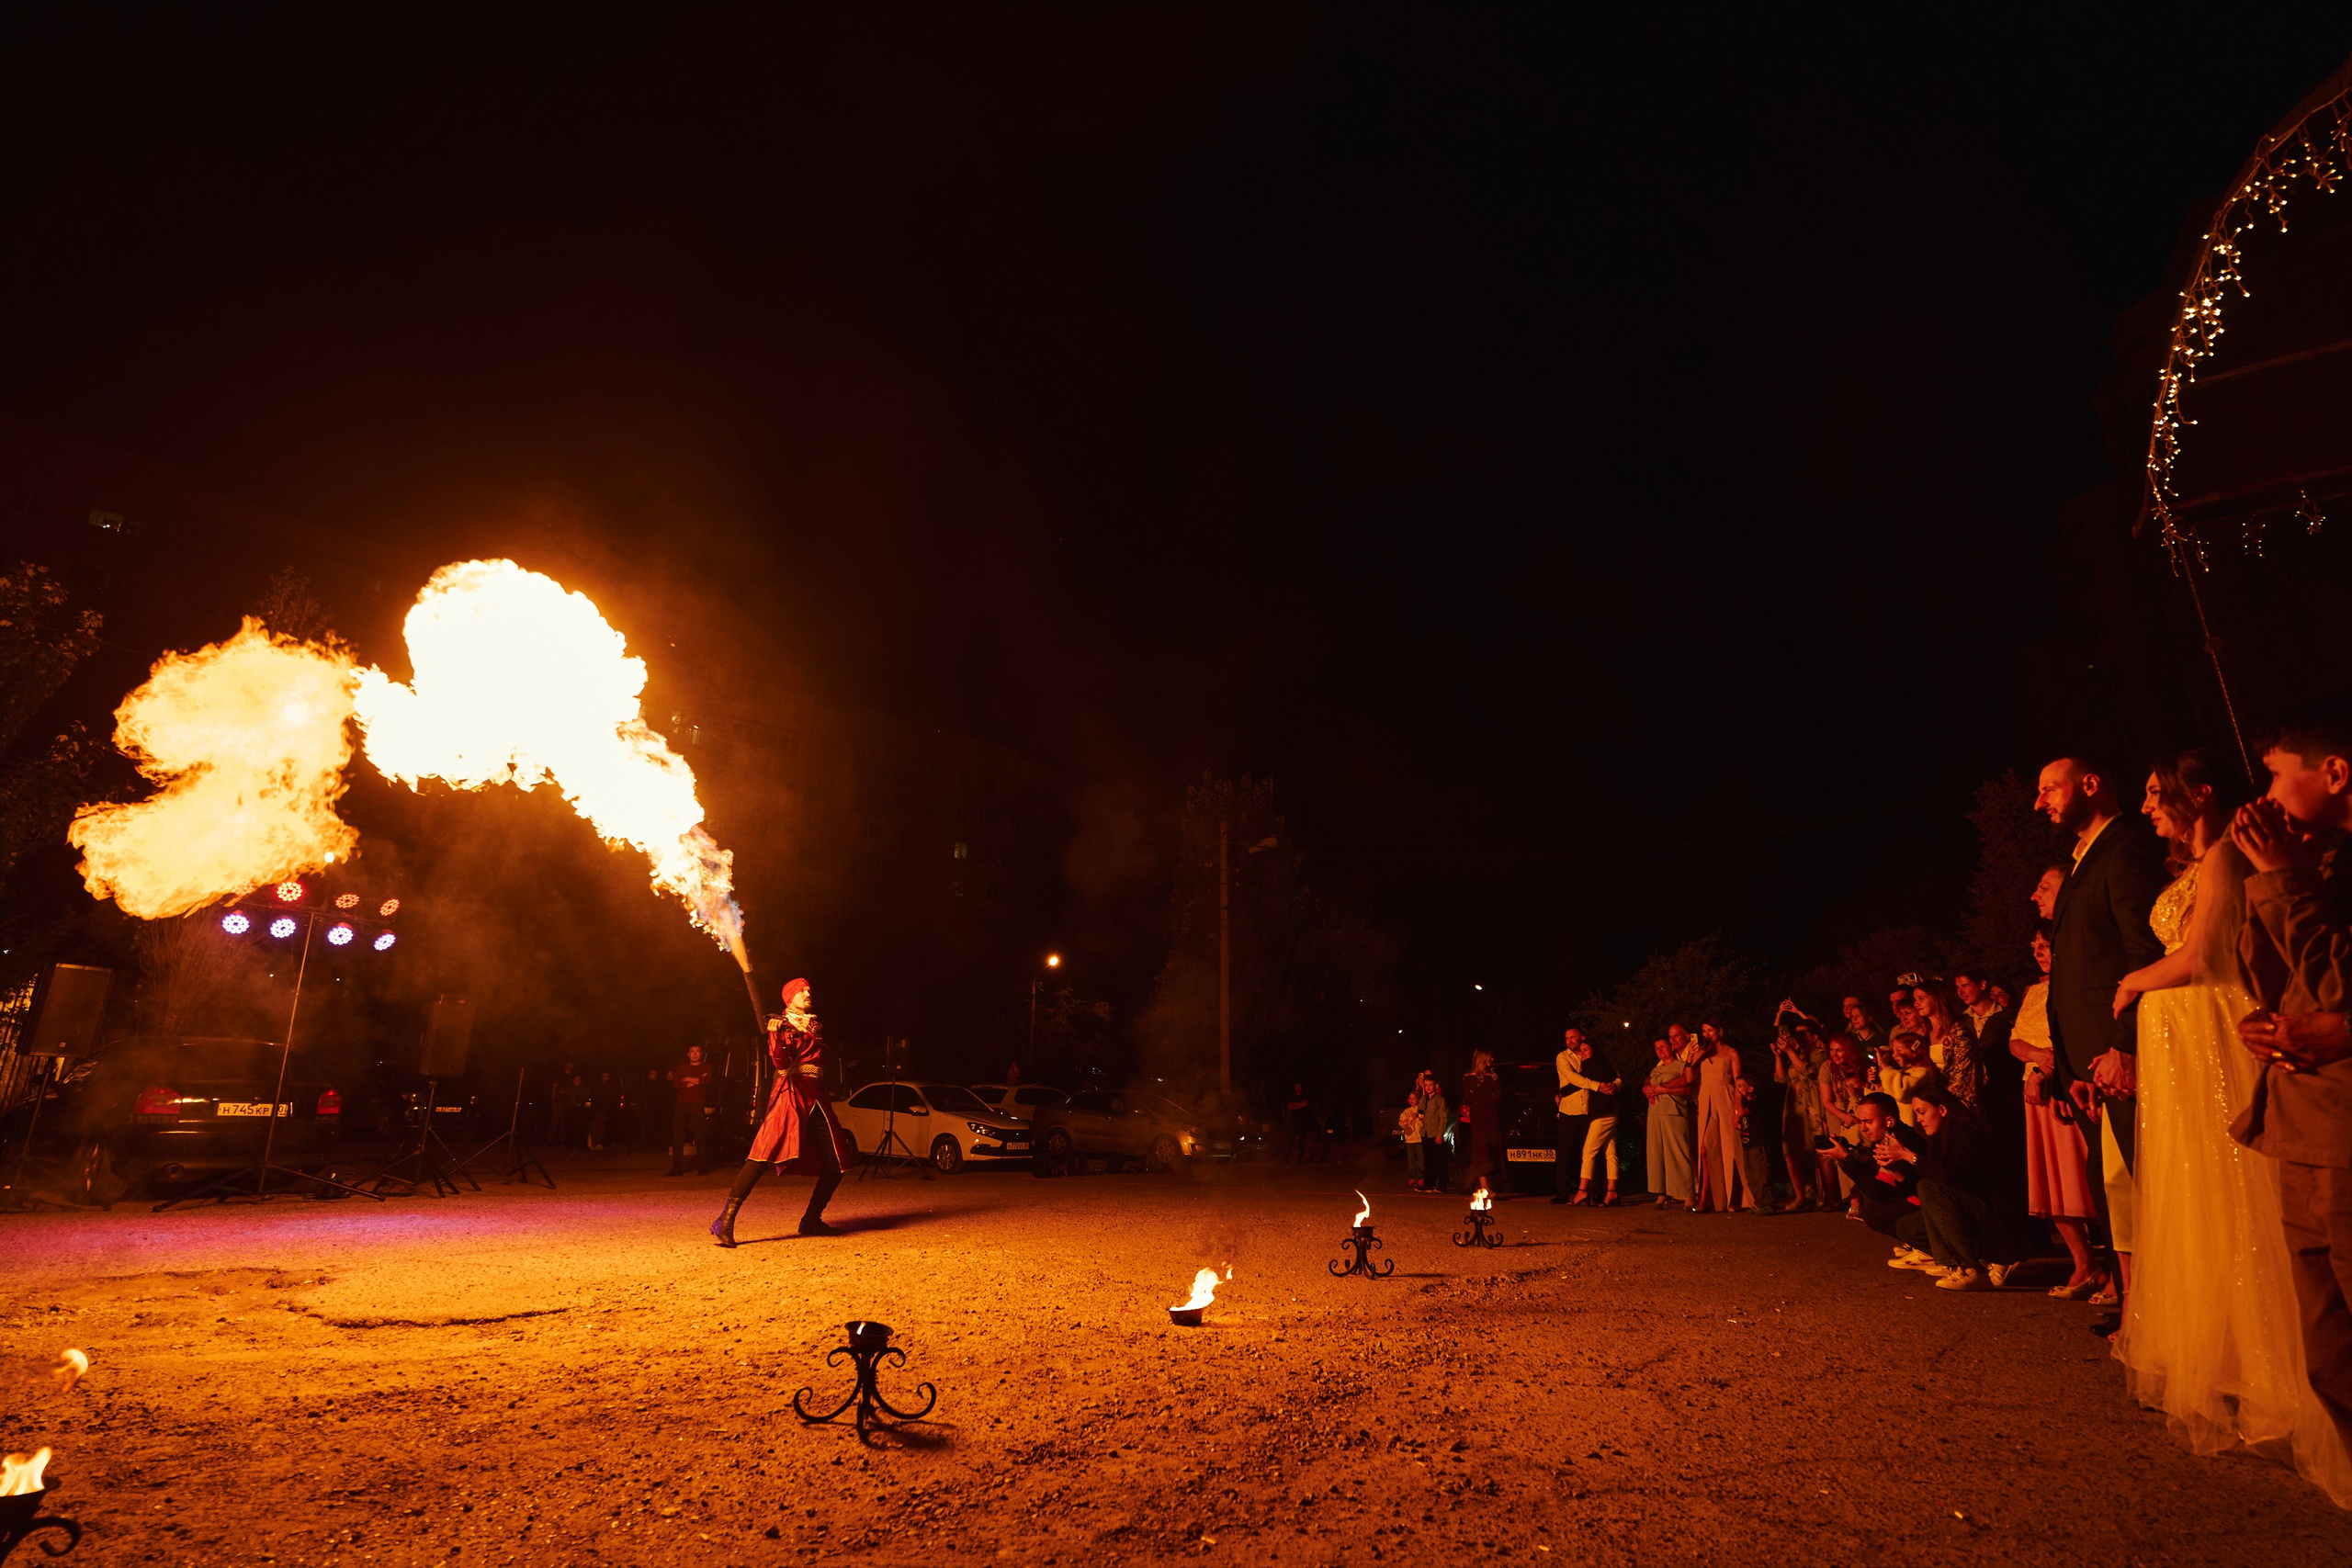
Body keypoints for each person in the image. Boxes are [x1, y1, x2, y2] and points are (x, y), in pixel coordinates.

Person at [2103, 749, 2352, 1499]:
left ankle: (2272, 1368)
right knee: (2190, 1195)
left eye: (2155, 793)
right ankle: (2224, 1358)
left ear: (2197, 791)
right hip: (2180, 1033)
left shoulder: (2230, 860)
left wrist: (2130, 980)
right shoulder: (2198, 864)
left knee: (2237, 1192)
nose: (2148, 807)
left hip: (2208, 1023)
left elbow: (2208, 955)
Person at [2230, 704, 2352, 1485]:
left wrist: (2283, 879)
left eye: (2279, 772)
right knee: (2330, 1350)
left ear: (2335, 772)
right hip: (2300, 1127)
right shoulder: (2315, 862)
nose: (2266, 793)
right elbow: (2285, 981)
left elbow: (2339, 981)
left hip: (2344, 1130)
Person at [2038, 753, 2169, 1335]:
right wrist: (2068, 1065)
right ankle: (2139, 1309)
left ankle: (2166, 1313)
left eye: (2048, 789)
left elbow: (2144, 953)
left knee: (2146, 1181)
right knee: (2115, 1184)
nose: (2039, 802)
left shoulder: (2126, 850)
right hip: (2088, 1061)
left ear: (2090, 785)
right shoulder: (2080, 863)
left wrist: (2124, 1042)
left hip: (2120, 1054)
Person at [711, 978, 855, 1246]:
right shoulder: (783, 1027)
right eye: (802, 991)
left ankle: (811, 1220)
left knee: (838, 1161)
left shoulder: (810, 1025)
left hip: (816, 1098)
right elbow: (780, 1061)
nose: (808, 993)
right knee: (764, 1154)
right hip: (790, 1093)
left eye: (809, 989)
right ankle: (725, 1220)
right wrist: (777, 1036)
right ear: (790, 999)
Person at [2013, 923, 2103, 1300]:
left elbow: (2068, 1037)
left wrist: (2043, 1071)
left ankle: (2117, 1267)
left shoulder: (2076, 984)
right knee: (2053, 1182)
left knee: (2085, 1179)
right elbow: (2016, 1040)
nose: (2038, 951)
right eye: (2034, 945)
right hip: (2035, 1094)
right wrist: (2033, 1059)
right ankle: (2084, 1264)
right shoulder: (2034, 992)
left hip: (2064, 1088)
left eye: (2045, 944)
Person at [1880, 1082, 2015, 1292]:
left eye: (1922, 1112)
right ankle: (1959, 1263)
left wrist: (1907, 1154)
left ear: (1942, 1109)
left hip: (1996, 1215)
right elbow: (1926, 1193)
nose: (1919, 1119)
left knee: (1929, 1186)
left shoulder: (1966, 1134)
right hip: (1968, 1210)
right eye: (1916, 1113)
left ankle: (1969, 1268)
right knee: (1907, 1226)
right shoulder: (1939, 1139)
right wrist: (1897, 1169)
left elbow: (1949, 1176)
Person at [1832, 1091, 1928, 1242]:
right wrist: (1846, 1158)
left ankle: (1926, 1245)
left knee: (1874, 1214)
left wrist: (1847, 1160)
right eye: (1861, 1121)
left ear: (1889, 1121)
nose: (1863, 1128)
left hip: (1928, 1204)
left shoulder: (1904, 1142)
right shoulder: (1887, 1138)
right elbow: (1880, 1190)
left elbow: (1880, 1192)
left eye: (1868, 1122)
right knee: (1873, 1211)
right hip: (1914, 1198)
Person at [1691, 1021, 1760, 1213]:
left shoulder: (1731, 1053)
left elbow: (1739, 1084)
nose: (1706, 1034)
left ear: (1720, 1031)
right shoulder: (1701, 1054)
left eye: (1710, 1030)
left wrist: (1738, 1111)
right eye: (1703, 1031)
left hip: (1726, 1098)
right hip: (1706, 1100)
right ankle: (1706, 1197)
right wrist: (1692, 1057)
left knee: (1732, 1148)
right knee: (1705, 1148)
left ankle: (1735, 1198)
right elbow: (1689, 1076)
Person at [1770, 1010, 1831, 1211]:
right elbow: (1780, 1078)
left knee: (1821, 1152)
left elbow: (1810, 1072)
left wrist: (1790, 1052)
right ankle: (1800, 1197)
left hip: (1813, 1105)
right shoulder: (1798, 1054)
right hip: (1794, 1106)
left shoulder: (1820, 1054)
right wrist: (1780, 1056)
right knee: (1791, 1152)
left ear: (1814, 1036)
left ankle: (1830, 1197)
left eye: (1804, 1033)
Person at [1817, 1032, 1875, 1217]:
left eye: (1839, 1050)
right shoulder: (1827, 1068)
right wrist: (1844, 1116)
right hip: (1838, 1115)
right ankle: (1854, 1203)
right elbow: (1827, 1101)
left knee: (1865, 1154)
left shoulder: (1860, 1066)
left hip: (1860, 1115)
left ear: (1848, 1050)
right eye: (1832, 1050)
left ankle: (1873, 1198)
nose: (1834, 1054)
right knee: (1844, 1157)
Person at [1554, 1028, 1611, 1203]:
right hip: (1569, 1110)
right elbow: (1573, 1078)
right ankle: (1563, 1192)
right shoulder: (1563, 1057)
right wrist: (1597, 1085)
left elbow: (1612, 1075)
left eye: (1573, 1037)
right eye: (1566, 1038)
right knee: (1564, 1153)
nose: (1569, 1041)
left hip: (1589, 1110)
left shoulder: (1593, 1057)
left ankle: (1595, 1192)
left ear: (1582, 1038)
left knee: (1593, 1153)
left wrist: (1613, 1085)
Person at [1567, 1035, 1621, 1205]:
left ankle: (1582, 1190)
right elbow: (1616, 1077)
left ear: (1593, 1051)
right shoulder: (1604, 1065)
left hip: (1601, 1114)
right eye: (1581, 1051)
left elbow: (1578, 1082)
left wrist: (1561, 1093)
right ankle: (1612, 1191)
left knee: (1588, 1152)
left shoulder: (1590, 1065)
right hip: (1612, 1112)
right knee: (1610, 1153)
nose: (1582, 1054)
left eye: (1586, 1050)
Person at [1643, 1036, 1696, 1208]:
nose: (1660, 1050)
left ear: (1671, 1048)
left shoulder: (1680, 1066)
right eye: (1656, 1047)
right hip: (1655, 1113)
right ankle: (1662, 1193)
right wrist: (1646, 1089)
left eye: (1663, 1046)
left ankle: (1688, 1194)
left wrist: (1664, 1089)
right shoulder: (1655, 1069)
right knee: (1656, 1154)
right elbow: (1647, 1083)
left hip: (1673, 1112)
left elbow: (1687, 1088)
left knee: (1678, 1152)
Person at [1913, 978, 1981, 1111]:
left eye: (1921, 999)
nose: (1916, 1004)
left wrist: (1944, 1102)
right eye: (1915, 1000)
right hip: (1931, 1104)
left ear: (1937, 999)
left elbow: (1964, 1075)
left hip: (1957, 1104)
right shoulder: (1925, 1035)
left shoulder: (1959, 1032)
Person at [666, 1043, 714, 1176]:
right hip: (681, 1105)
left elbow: (705, 1081)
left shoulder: (706, 1067)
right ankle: (677, 1168)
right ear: (688, 1054)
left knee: (700, 1136)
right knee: (678, 1137)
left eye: (697, 1051)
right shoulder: (682, 1068)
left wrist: (687, 1079)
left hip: (697, 1105)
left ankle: (702, 1168)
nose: (695, 1054)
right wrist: (697, 1080)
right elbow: (676, 1085)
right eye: (692, 1051)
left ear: (701, 1053)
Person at [1462, 1050, 1501, 1190]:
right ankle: (1484, 1185)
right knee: (1481, 1149)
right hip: (1478, 1117)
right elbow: (1470, 1097)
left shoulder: (1493, 1077)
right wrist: (1482, 1098)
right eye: (1490, 1056)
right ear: (1483, 1058)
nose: (1492, 1059)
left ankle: (1491, 1181)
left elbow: (1496, 1096)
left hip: (1491, 1116)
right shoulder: (1468, 1077)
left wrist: (1479, 1099)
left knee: (1492, 1148)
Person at [1879, 1032, 1938, 1124]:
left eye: (1899, 1050)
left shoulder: (1924, 1073)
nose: (1894, 1055)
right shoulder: (1901, 1072)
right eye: (1893, 1051)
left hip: (1912, 1129)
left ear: (1915, 1051)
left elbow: (1900, 1093)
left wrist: (1886, 1068)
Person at [1417, 1071, 1450, 1193]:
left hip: (1435, 1133)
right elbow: (1420, 1109)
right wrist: (1423, 1094)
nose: (1428, 1087)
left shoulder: (1440, 1100)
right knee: (1428, 1160)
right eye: (1426, 1085)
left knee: (1439, 1160)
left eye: (1430, 1085)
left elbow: (1443, 1117)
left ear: (1436, 1086)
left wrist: (1440, 1134)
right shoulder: (1425, 1099)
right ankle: (1428, 1183)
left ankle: (1442, 1184)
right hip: (1425, 1133)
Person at [1840, 996, 1885, 1072]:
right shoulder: (1850, 1039)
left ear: (1869, 1018)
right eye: (1852, 1017)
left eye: (1858, 1016)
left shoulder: (1880, 1039)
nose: (1854, 1019)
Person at [1283, 1084, 1315, 1164]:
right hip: (1293, 1121)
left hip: (1303, 1121)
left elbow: (1305, 1104)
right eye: (1296, 1087)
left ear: (1302, 1088)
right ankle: (1286, 1159)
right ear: (1294, 1088)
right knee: (1290, 1140)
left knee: (1302, 1141)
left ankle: (1299, 1160)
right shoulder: (1291, 1096)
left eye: (1299, 1086)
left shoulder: (1305, 1096)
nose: (1298, 1088)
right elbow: (1290, 1107)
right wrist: (1300, 1105)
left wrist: (1296, 1104)